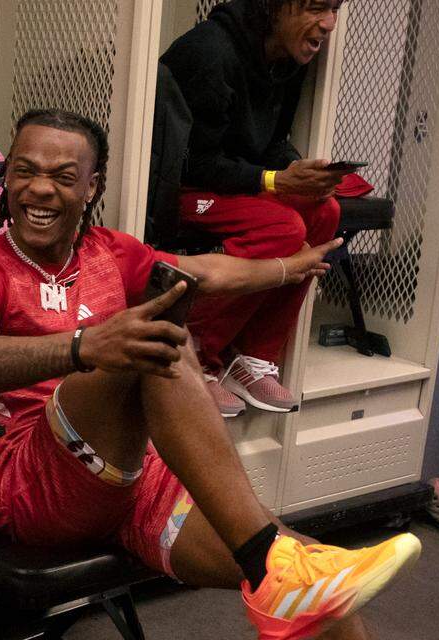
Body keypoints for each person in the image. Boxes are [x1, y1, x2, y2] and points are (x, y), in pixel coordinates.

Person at [0, 108, 419, 640]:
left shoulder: (110, 251)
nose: (40, 189)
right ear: (7, 177)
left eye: (63, 177)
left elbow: (206, 271)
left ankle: (274, 569)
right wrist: (85, 346)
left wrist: (289, 267)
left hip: (129, 477)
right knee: (159, 343)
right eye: (25, 170)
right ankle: (266, 558)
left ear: (92, 187)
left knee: (319, 589)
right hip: (30, 484)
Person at [160, 0, 354, 417]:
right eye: (318, 7)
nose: (329, 23)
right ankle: (196, 354)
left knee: (325, 212)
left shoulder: (286, 59)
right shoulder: (209, 52)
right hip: (179, 189)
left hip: (232, 183)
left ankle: (250, 356)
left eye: (335, 9)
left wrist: (304, 172)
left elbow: (266, 144)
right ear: (274, 6)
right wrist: (274, 179)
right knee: (281, 227)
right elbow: (193, 161)